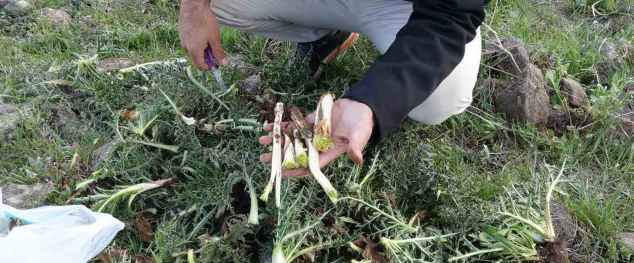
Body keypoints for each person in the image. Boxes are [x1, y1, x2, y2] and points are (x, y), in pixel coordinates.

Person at [178, 0, 485, 177]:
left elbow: (450, 14)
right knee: (212, 4)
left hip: (407, 7)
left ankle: (388, 43)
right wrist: (192, 7)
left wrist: (371, 101)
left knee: (438, 98)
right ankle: (324, 33)